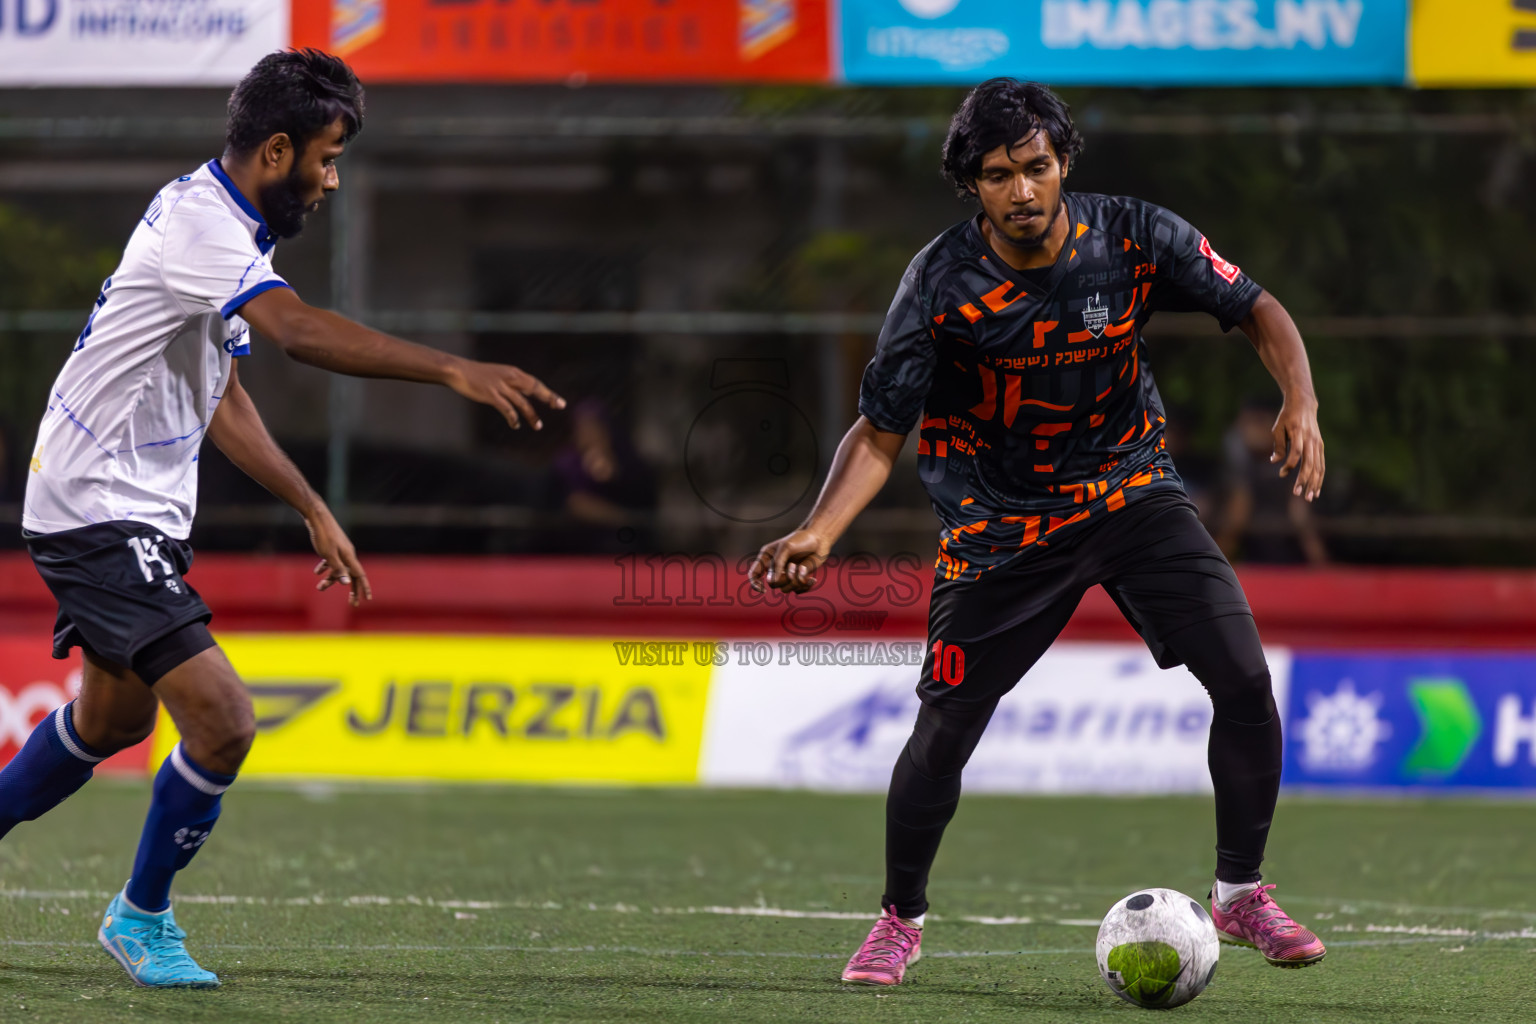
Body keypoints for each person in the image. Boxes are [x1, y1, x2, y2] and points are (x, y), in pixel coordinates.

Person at [0, 49, 563, 989]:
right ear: (275, 150)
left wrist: (310, 506)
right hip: (98, 510)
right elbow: (298, 335)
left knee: (111, 721)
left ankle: (131, 908)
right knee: (222, 722)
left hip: (113, 506)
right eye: (328, 157)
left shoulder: (220, 226)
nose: (333, 179)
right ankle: (141, 918)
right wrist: (453, 368)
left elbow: (220, 397)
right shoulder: (204, 227)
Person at [750, 78, 1327, 986]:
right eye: (995, 175)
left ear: (1062, 162)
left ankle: (1240, 893)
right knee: (944, 733)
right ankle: (899, 919)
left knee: (1246, 677)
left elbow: (1257, 306)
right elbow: (879, 430)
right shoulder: (939, 284)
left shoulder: (1134, 236)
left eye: (1035, 167)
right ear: (971, 184)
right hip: (1000, 529)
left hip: (1132, 492)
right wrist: (821, 531)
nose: (1020, 190)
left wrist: (1301, 398)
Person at [1215, 399, 1329, 565]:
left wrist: (1321, 564)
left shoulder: (1296, 449)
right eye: (1246, 422)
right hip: (1250, 544)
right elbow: (1238, 511)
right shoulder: (1236, 451)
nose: (1251, 430)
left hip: (1290, 543)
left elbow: (1299, 511)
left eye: (1259, 421)